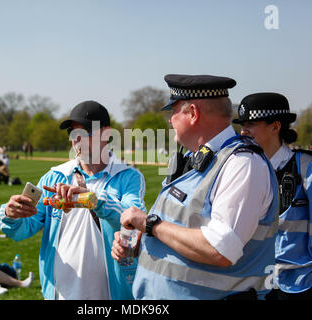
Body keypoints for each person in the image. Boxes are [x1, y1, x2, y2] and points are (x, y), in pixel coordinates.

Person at [111, 74, 279, 300]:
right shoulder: (193, 159)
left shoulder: (242, 163)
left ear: (192, 113)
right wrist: (141, 239)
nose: (170, 120)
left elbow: (220, 249)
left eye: (174, 111)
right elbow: (178, 228)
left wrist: (150, 225)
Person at [0, 100, 146, 300]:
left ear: (106, 133)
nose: (77, 139)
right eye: (72, 134)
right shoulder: (54, 177)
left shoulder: (128, 177)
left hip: (109, 295)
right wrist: (11, 214)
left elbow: (132, 220)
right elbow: (24, 228)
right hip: (60, 294)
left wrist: (93, 199)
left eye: (84, 133)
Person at [232, 92, 312, 300]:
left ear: (275, 127)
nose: (243, 131)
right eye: (242, 125)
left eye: (250, 124)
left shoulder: (311, 169)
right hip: (253, 287)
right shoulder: (243, 170)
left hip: (301, 288)